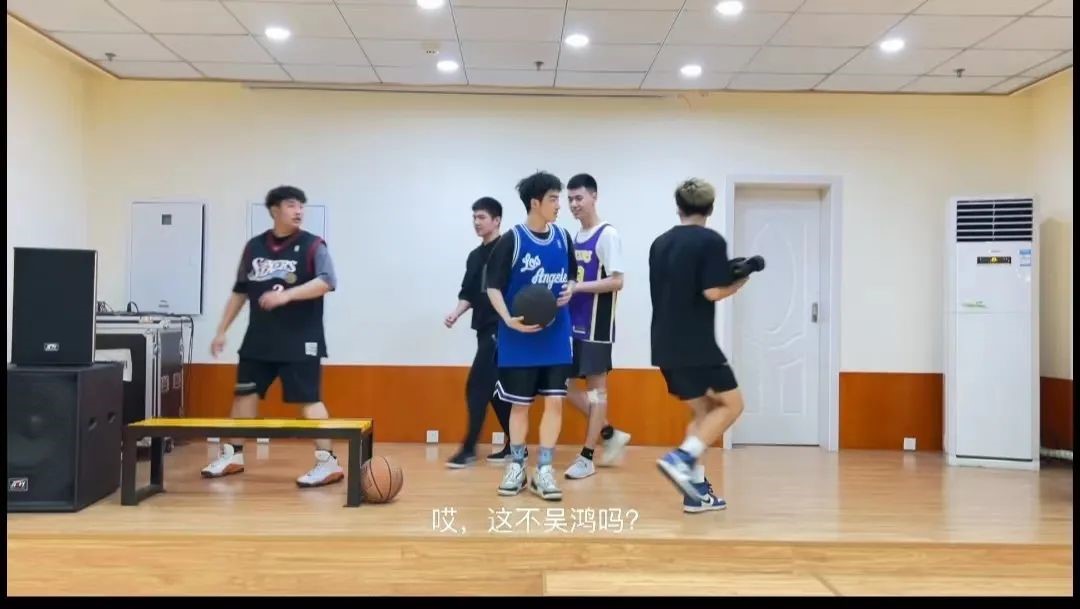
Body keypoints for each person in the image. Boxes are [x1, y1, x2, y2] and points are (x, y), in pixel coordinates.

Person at [201, 185, 343, 488]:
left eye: (301, 205)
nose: (299, 211)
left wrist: (287, 295)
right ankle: (233, 456)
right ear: (274, 210)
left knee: (308, 400)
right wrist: (221, 331)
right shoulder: (254, 248)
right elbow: (240, 292)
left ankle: (328, 462)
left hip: (301, 339)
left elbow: (327, 281)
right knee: (244, 396)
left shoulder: (313, 245)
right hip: (259, 339)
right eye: (292, 205)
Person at [650, 178, 748, 513]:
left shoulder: (660, 244)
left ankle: (695, 494)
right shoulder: (710, 241)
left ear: (678, 206)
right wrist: (738, 282)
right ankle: (681, 458)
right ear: (710, 208)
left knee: (704, 412)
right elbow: (712, 291)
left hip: (663, 344)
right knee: (733, 405)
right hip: (696, 345)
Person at [485, 171, 577, 501]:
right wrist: (508, 320)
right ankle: (517, 466)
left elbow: (572, 276)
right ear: (535, 203)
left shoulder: (563, 237)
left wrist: (571, 289)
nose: (559, 205)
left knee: (554, 402)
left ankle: (545, 470)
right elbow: (492, 287)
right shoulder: (512, 240)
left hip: (556, 334)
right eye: (553, 199)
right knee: (520, 406)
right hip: (519, 337)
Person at [563, 173, 632, 480]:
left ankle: (587, 457)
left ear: (594, 197)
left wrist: (578, 287)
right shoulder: (575, 237)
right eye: (570, 199)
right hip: (572, 325)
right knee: (562, 386)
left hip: (596, 328)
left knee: (595, 393)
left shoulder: (607, 235)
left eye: (579, 198)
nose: (574, 204)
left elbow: (617, 281)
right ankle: (609, 434)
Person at [444, 197, 514, 468]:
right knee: (496, 390)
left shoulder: (508, 249)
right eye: (474, 217)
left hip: (503, 328)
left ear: (496, 220)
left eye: (482, 217)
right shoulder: (475, 256)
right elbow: (469, 293)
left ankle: (469, 448)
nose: (476, 222)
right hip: (484, 328)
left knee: (476, 386)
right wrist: (456, 313)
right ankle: (514, 445)